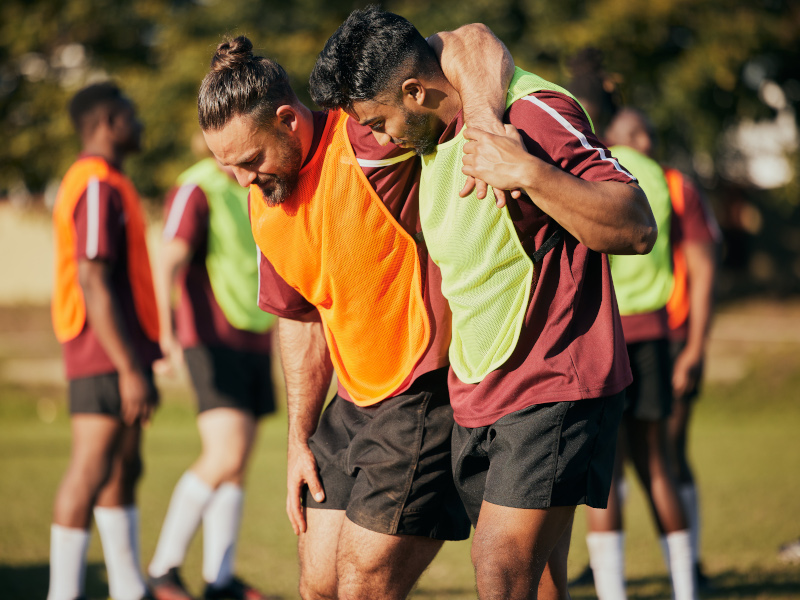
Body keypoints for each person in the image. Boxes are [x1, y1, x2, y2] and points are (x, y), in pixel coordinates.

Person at [309, 7, 658, 600]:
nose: (381, 136)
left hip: (555, 377)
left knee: (499, 569)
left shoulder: (533, 113)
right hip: (478, 392)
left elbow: (636, 224)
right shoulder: (432, 127)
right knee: (539, 582)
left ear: (415, 90)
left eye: (380, 120)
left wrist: (526, 170)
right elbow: (461, 38)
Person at [197, 27, 513, 600]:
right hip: (351, 404)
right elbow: (299, 317)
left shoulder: (365, 138)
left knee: (362, 584)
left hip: (421, 393)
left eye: (249, 160)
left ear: (291, 121)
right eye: (227, 168)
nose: (243, 180)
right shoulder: (265, 207)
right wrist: (299, 438)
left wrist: (487, 121)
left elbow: (469, 40)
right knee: (318, 584)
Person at [146, 153, 277, 600]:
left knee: (236, 466)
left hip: (255, 337)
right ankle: (163, 571)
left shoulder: (258, 183)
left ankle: (219, 580)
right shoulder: (195, 187)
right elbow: (167, 262)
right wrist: (164, 336)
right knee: (224, 455)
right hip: (210, 339)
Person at [49, 82, 160, 600]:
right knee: (89, 472)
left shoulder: (112, 181)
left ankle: (127, 588)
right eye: (131, 114)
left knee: (123, 469)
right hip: (102, 352)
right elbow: (92, 276)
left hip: (122, 353)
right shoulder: (94, 183)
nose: (139, 124)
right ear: (108, 122)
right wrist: (128, 368)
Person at [583, 108, 698, 600]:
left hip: (608, 333)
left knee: (605, 471)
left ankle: (613, 593)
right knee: (659, 464)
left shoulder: (597, 164)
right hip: (654, 332)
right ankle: (686, 587)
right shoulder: (660, 175)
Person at [664, 145, 721, 590]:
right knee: (607, 464)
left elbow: (703, 269)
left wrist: (695, 348)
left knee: (669, 452)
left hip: (671, 337)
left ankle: (690, 565)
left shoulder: (675, 187)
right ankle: (607, 567)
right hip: (616, 339)